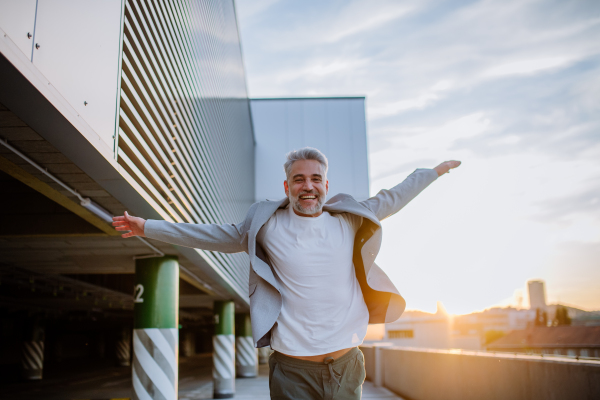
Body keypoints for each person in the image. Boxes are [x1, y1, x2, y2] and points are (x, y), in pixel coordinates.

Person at [113, 147, 461, 399]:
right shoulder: (267, 224)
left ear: (326, 184)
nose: (307, 186)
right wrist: (149, 227)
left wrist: (432, 173)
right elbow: (213, 234)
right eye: (299, 179)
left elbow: (393, 197)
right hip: (292, 371)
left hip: (346, 365)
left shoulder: (350, 219)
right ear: (287, 187)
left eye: (315, 179)